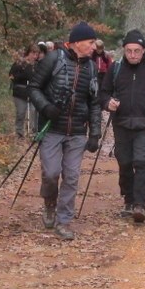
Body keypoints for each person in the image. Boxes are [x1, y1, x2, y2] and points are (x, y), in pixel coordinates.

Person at [27, 21, 102, 241]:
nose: (93, 47)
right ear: (77, 42)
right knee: (51, 174)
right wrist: (46, 107)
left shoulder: (91, 67)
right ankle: (49, 204)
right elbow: (33, 87)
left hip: (78, 130)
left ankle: (64, 220)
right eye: (90, 43)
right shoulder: (54, 59)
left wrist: (95, 133)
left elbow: (95, 102)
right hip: (52, 128)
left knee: (71, 177)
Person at [99, 29, 145, 223]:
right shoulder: (115, 68)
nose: (132, 55)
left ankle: (141, 204)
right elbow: (103, 93)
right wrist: (108, 103)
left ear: (143, 50)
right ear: (124, 49)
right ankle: (129, 200)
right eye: (129, 50)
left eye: (137, 51)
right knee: (124, 162)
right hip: (121, 123)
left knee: (141, 162)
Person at [8, 44, 38, 138]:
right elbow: (11, 76)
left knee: (34, 112)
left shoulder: (36, 66)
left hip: (32, 92)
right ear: (28, 53)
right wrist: (23, 75)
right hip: (20, 92)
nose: (35, 56)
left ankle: (33, 132)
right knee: (21, 112)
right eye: (33, 53)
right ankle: (19, 132)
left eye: (36, 54)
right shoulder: (19, 63)